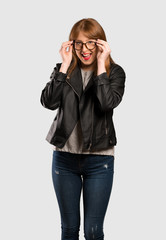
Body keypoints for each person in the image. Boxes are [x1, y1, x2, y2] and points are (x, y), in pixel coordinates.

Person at [40, 18, 126, 240]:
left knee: (93, 231)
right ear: (71, 44)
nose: (84, 49)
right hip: (64, 159)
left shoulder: (114, 73)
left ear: (100, 44)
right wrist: (65, 66)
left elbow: (107, 103)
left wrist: (100, 66)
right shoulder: (63, 70)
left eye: (91, 43)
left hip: (99, 160)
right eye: (79, 43)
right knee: (69, 229)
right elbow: (48, 103)